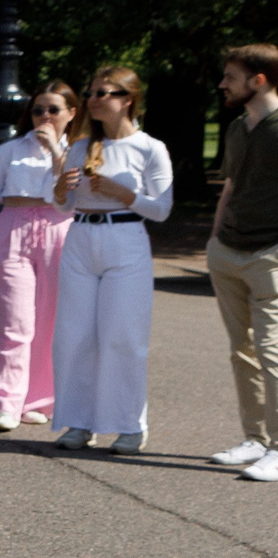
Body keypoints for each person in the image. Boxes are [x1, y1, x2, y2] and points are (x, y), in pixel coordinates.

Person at [50, 64, 173, 454]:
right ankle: (79, 422)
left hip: (125, 239)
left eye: (103, 93)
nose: (93, 100)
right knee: (74, 335)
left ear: (127, 100)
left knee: (123, 336)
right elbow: (62, 206)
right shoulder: (81, 147)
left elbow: (162, 209)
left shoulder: (150, 148)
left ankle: (129, 425)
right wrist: (58, 189)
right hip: (82, 237)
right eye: (92, 92)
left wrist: (125, 196)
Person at [0, 81, 77, 432]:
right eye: (37, 110)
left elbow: (78, 195)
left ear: (71, 113)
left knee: (51, 320)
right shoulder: (8, 151)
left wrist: (57, 153)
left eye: (53, 110)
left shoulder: (78, 152)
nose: (44, 117)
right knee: (11, 321)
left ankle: (38, 399)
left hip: (59, 230)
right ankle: (4, 403)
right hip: (12, 229)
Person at [206, 43, 278, 481]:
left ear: (259, 79)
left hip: (269, 254)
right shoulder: (236, 128)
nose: (222, 84)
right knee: (242, 351)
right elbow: (230, 186)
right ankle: (255, 439)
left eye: (231, 76)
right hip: (228, 251)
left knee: (273, 352)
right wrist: (215, 238)